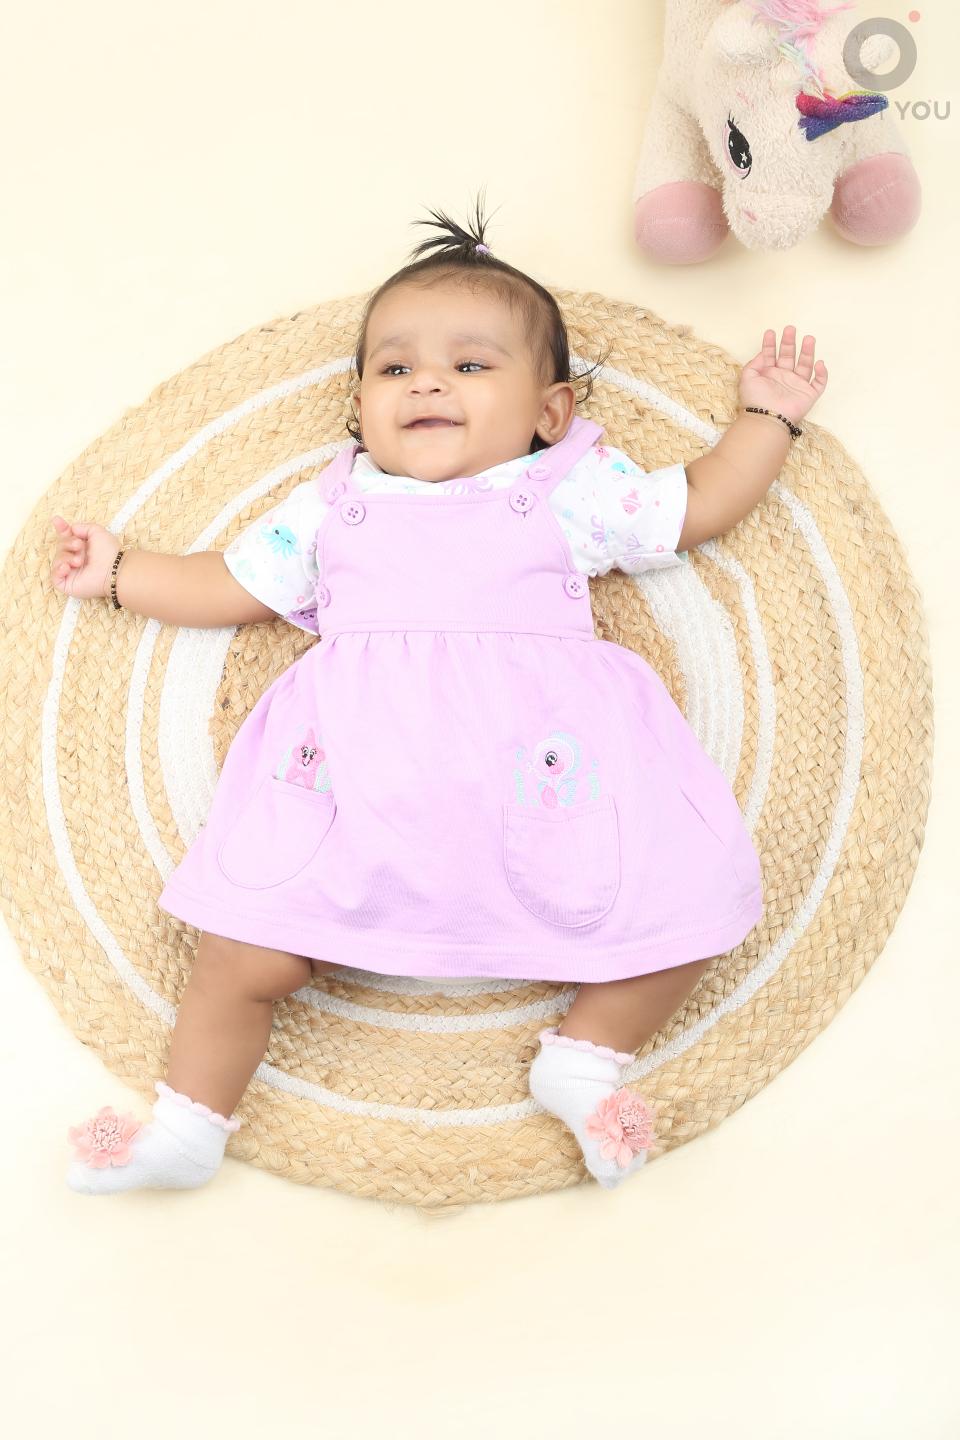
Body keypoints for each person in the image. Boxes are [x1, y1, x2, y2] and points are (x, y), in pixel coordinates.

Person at [53, 194, 828, 1194]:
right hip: (357, 791)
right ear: (360, 407)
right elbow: (231, 585)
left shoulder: (570, 491)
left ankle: (585, 1058)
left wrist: (766, 420)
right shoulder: (334, 508)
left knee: (693, 900)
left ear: (549, 415)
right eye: (395, 368)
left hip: (538, 777)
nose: (426, 381)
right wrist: (122, 572)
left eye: (470, 366)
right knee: (237, 950)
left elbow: (698, 502)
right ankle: (187, 1126)